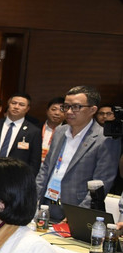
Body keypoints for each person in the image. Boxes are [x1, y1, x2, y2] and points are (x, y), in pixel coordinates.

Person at [36, 86, 120, 221]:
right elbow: (45, 169)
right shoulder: (60, 131)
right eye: (66, 106)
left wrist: (78, 215)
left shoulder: (105, 139)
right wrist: (34, 199)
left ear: (92, 110)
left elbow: (101, 183)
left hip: (75, 208)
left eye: (76, 107)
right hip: (47, 203)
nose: (69, 112)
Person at [0, 93, 42, 176]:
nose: (16, 107)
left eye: (21, 105)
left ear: (27, 109)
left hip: (16, 177)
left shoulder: (33, 131)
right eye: (13, 103)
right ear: (8, 105)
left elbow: (35, 162)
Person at [41, 96, 65, 162]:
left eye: (62, 110)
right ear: (47, 111)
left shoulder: (69, 132)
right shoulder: (35, 129)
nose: (57, 113)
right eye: (54, 109)